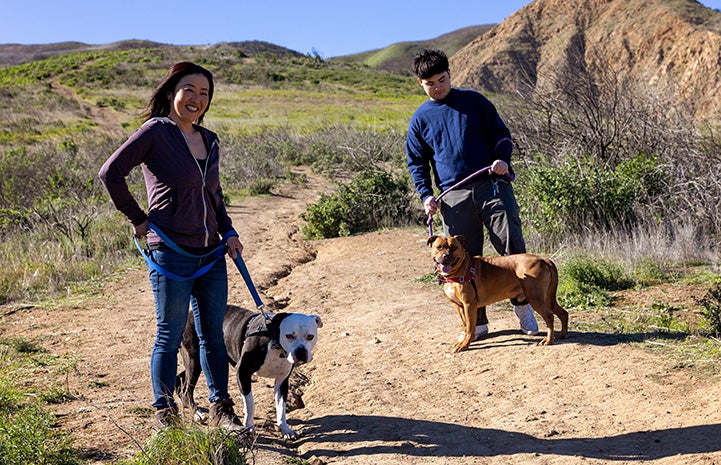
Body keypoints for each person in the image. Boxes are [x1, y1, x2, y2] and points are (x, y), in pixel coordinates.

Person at [99, 61, 245, 431]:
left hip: (211, 252)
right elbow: (110, 174)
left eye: (205, 93)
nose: (197, 99)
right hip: (170, 253)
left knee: (212, 333)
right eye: (189, 90)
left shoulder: (209, 140)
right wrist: (138, 218)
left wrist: (227, 231)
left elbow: (213, 195)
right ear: (171, 93)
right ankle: (165, 413)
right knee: (169, 332)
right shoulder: (155, 132)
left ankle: (221, 409)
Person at [406, 48, 539, 340]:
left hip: (492, 184)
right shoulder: (419, 120)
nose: (438, 86)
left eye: (442, 79)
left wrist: (502, 158)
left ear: (450, 73)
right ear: (420, 83)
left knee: (511, 246)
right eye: (431, 83)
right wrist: (426, 195)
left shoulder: (475, 101)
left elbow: (501, 134)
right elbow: (416, 163)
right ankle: (477, 323)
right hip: (452, 196)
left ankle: (524, 308)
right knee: (462, 258)